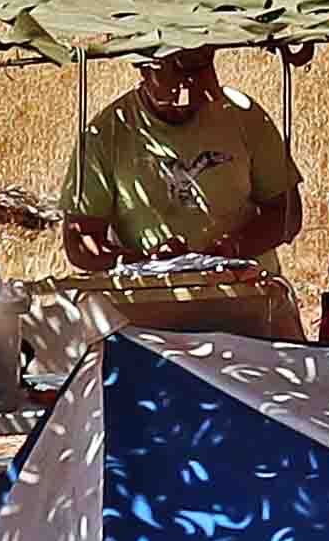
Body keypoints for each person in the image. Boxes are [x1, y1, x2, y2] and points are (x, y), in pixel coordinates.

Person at [63, 48, 308, 338]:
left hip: (249, 305)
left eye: (199, 85)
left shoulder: (241, 114)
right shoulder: (106, 135)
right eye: (175, 87)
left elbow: (287, 212)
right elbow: (80, 243)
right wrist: (144, 263)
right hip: (153, 318)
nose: (186, 101)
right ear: (144, 70)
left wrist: (233, 250)